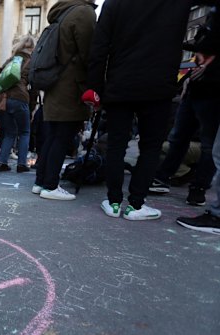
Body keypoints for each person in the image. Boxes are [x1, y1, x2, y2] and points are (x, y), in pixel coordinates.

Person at [85, 0, 217, 221]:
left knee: (117, 144)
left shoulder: (115, 3)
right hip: (158, 84)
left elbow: (99, 47)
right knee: (150, 147)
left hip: (120, 83)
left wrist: (95, 87)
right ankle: (136, 204)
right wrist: (207, 47)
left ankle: (114, 201)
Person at [32, 0, 96, 201]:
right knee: (62, 136)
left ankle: (41, 181)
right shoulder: (83, 13)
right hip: (70, 86)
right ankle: (50, 185)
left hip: (54, 84)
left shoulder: (60, 14)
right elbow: (90, 54)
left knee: (52, 136)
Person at [176, 4, 220, 234]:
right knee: (209, 147)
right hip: (202, 90)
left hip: (210, 91)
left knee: (212, 148)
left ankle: (215, 213)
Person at [0, 36, 35, 174]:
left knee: (10, 132)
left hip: (6, 100)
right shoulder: (31, 62)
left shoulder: (11, 60)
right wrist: (32, 107)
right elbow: (34, 86)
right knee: (24, 132)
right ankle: (21, 164)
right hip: (21, 98)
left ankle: (2, 162)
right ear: (31, 48)